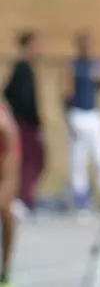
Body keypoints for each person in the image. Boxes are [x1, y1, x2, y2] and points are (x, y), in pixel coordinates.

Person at [64, 30, 100, 217]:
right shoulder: (73, 66)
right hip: (78, 114)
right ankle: (80, 195)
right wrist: (68, 117)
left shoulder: (96, 64)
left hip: (94, 114)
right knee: (78, 158)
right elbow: (67, 92)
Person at [2, 33, 42, 213]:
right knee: (27, 161)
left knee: (36, 160)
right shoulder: (22, 68)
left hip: (27, 122)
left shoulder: (27, 68)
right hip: (23, 123)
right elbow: (13, 94)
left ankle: (23, 196)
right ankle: (20, 198)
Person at [0, 99, 17, 287]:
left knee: (5, 211)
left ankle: (4, 273)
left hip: (6, 159)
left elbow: (9, 177)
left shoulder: (4, 126)